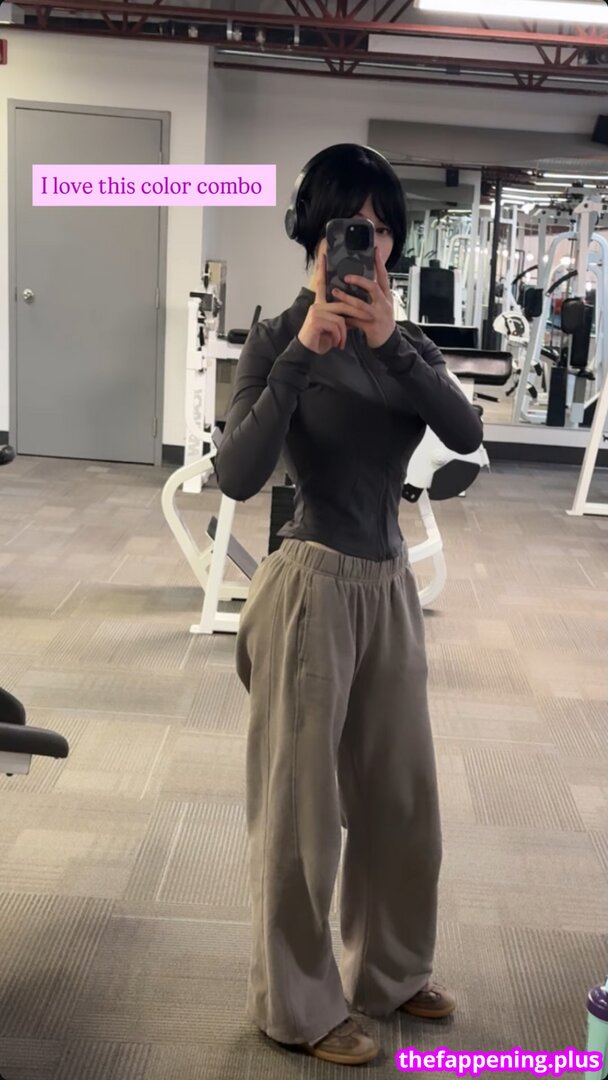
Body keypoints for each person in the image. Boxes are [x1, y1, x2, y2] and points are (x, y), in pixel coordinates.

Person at [214, 143, 483, 1067]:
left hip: (389, 585)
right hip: (311, 587)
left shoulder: (400, 339)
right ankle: (296, 1004)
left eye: (380, 226)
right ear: (313, 233)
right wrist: (302, 355)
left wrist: (392, 342)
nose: (366, 240)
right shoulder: (274, 338)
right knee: (300, 813)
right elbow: (237, 474)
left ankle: (393, 971)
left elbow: (464, 431)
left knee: (402, 798)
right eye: (349, 223)